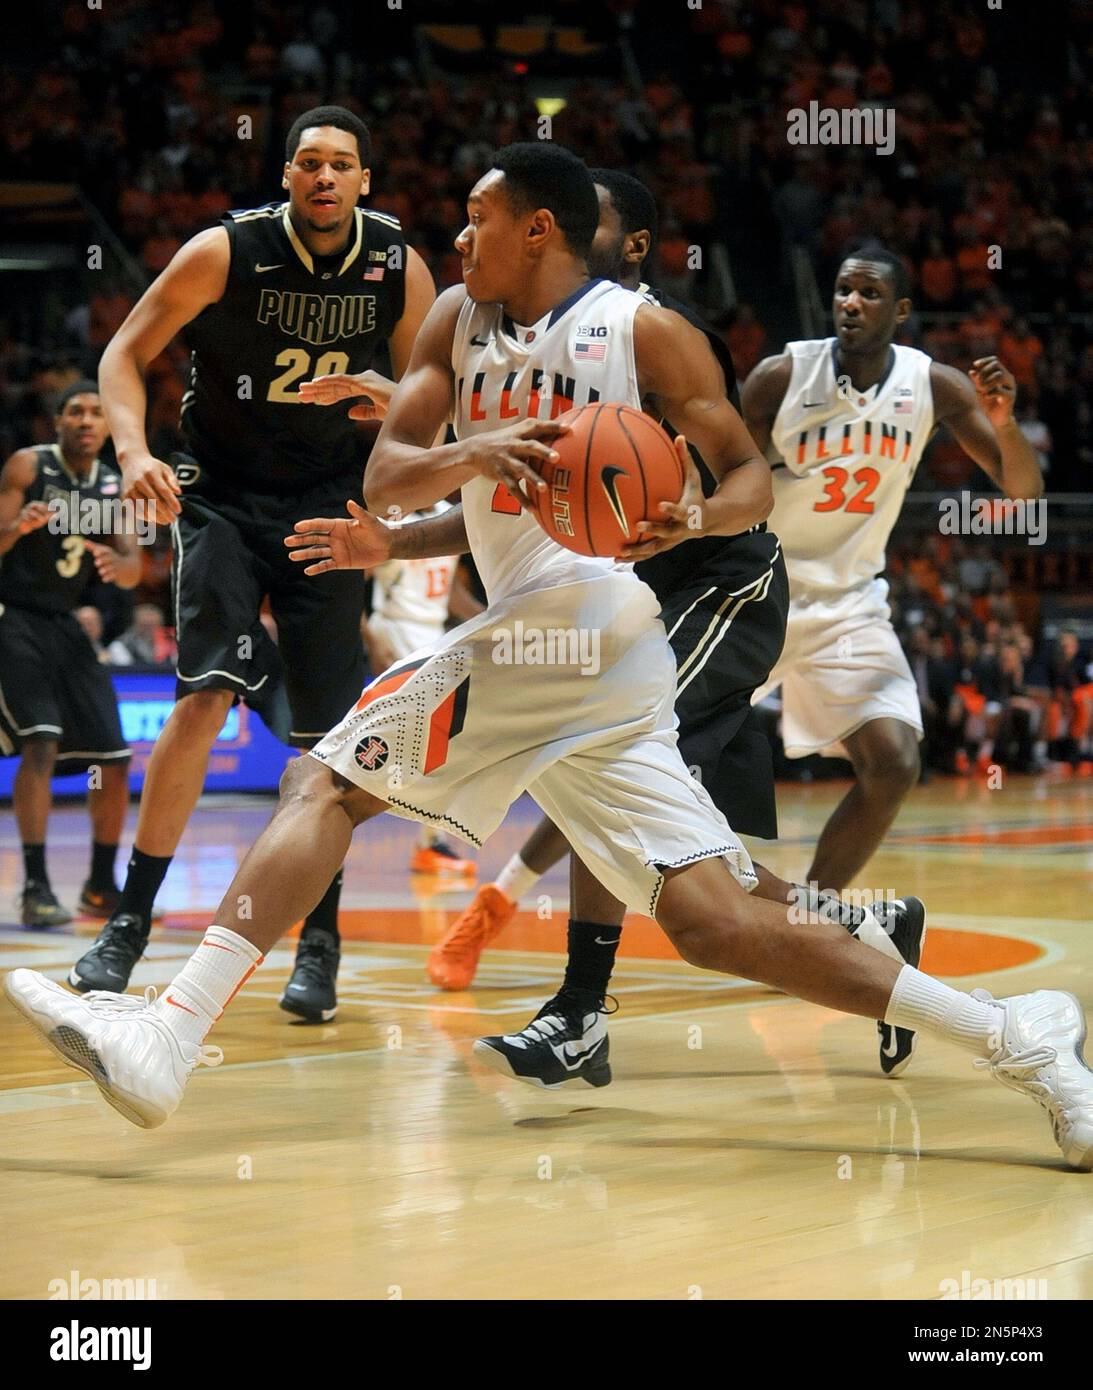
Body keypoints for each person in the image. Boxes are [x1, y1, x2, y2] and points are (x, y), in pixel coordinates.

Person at [7, 145, 1093, 1173]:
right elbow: (390, 479)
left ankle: (168, 1033)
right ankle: (1015, 1035)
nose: (457, 234)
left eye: (477, 218)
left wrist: (693, 516)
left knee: (324, 778)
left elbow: (750, 480)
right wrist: (457, 461)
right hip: (590, 652)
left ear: (538, 229)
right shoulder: (452, 318)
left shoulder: (647, 333)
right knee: (713, 922)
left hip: (577, 616)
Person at [67, 106, 436, 1024]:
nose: (323, 177)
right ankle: (129, 923)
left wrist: (385, 397)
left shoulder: (400, 266)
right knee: (202, 695)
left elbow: (433, 409)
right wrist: (131, 450)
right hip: (222, 496)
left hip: (329, 505)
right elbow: (124, 353)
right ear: (285, 176)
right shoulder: (222, 251)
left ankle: (321, 941)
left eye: (341, 165)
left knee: (327, 745)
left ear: (362, 182)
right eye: (307, 162)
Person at [742, 245, 1045, 890]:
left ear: (901, 309)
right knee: (660, 747)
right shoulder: (780, 377)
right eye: (843, 291)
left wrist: (1006, 423)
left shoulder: (934, 386)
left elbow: (1023, 494)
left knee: (895, 763)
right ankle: (520, 891)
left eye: (869, 293)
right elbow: (724, 477)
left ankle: (814, 912)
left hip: (848, 602)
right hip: (756, 593)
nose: (851, 303)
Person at [0, 382, 140, 924]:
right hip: (11, 615)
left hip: (63, 624)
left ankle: (101, 884)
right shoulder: (27, 467)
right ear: (56, 421)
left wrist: (117, 565)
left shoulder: (116, 485)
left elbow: (131, 568)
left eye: (97, 413)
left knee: (113, 758)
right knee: (41, 741)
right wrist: (17, 529)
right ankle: (35, 886)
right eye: (76, 411)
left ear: (108, 426)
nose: (86, 420)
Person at [363, 498, 483, 876]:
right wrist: (368, 636)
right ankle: (431, 844)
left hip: (434, 638)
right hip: (395, 632)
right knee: (438, 740)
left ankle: (431, 843)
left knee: (440, 744)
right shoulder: (393, 520)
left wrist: (493, 621)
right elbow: (349, 584)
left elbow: (446, 591)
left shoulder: (449, 516)